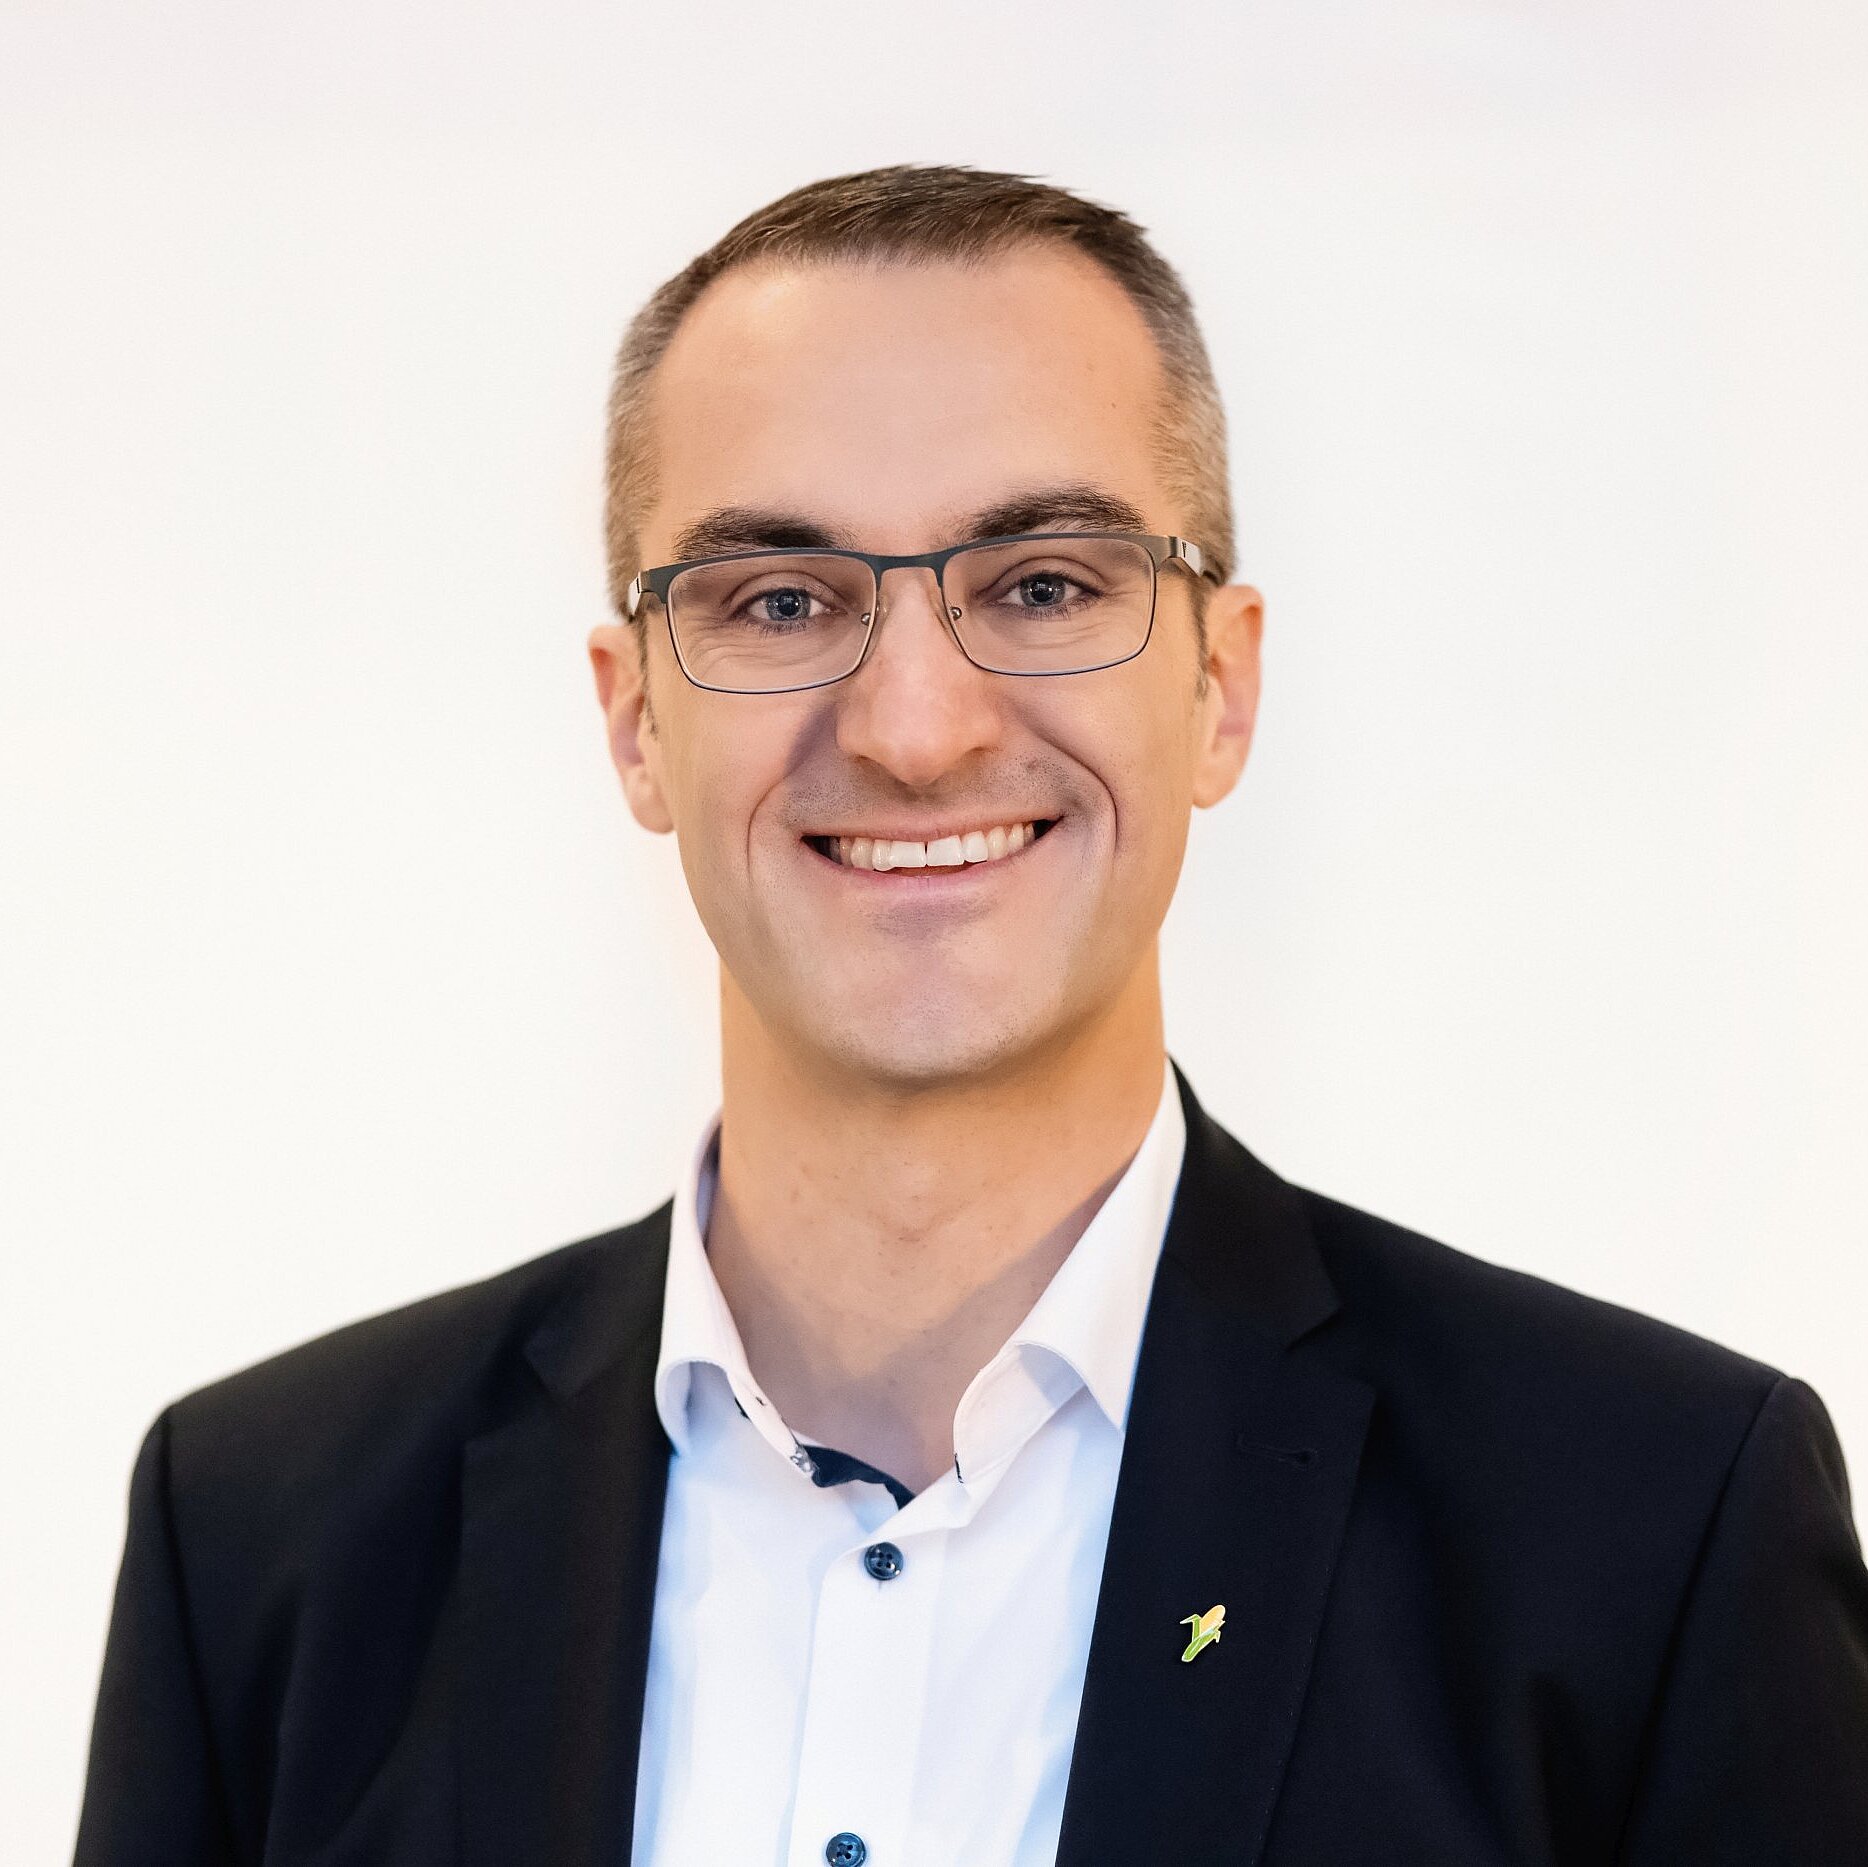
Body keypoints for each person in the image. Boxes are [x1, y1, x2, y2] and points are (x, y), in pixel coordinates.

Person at [74, 163, 1868, 1867]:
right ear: (634, 720)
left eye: (1044, 585)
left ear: (1221, 685)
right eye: (781, 601)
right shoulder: (260, 1542)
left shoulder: (1648, 1534)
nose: (917, 730)